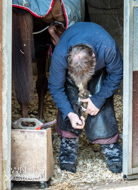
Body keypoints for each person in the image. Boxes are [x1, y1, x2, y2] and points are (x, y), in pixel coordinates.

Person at [48, 22, 123, 174]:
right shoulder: (60, 54)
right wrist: (69, 113)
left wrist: (98, 99)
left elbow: (116, 74)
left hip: (99, 70)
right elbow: (56, 87)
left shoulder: (107, 47)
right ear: (67, 58)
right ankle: (68, 146)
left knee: (102, 95)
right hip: (72, 75)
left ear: (94, 55)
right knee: (69, 95)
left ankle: (110, 147)